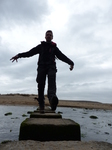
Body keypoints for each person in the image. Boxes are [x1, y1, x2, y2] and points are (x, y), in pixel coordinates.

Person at [10, 30, 74, 113]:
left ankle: (52, 101)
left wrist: (71, 62)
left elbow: (61, 56)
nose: (48, 36)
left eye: (50, 35)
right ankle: (41, 104)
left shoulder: (54, 47)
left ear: (52, 37)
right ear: (45, 37)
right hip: (41, 67)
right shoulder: (41, 46)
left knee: (52, 84)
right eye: (47, 34)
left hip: (51, 67)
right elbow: (30, 53)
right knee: (41, 86)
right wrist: (19, 55)